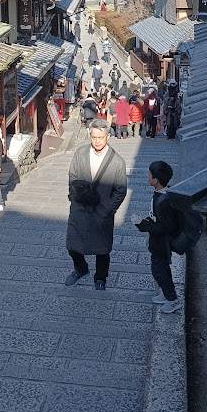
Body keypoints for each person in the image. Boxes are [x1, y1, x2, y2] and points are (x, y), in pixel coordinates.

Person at [65, 120, 127, 291]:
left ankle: (100, 277)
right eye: (93, 137)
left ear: (108, 136)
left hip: (102, 211)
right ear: (89, 136)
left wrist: (108, 209)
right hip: (79, 208)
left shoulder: (117, 162)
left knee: (102, 247)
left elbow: (121, 190)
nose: (97, 141)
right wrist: (73, 197)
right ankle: (80, 268)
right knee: (72, 243)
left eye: (100, 137)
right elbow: (72, 177)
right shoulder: (80, 153)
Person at [134, 160, 183, 313]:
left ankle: (173, 300)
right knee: (163, 269)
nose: (147, 177)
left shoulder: (163, 202)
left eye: (149, 175)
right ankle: (167, 293)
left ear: (155, 180)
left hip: (162, 244)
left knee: (158, 271)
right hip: (158, 242)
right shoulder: (161, 194)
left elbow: (165, 227)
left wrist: (142, 224)